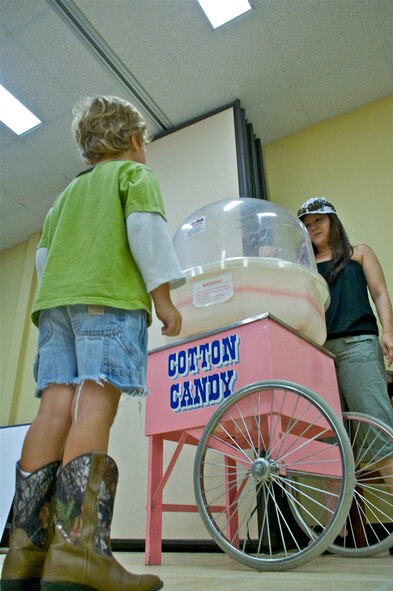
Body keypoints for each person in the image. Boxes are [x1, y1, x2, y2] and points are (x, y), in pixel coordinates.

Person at [1, 95, 186, 591]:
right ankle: (77, 553)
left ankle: (25, 557)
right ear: (132, 140)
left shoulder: (64, 196)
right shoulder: (133, 176)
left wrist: (60, 300)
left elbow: (43, 259)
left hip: (55, 307)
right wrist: (163, 300)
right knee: (94, 410)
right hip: (107, 302)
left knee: (53, 412)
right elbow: (145, 235)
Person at [297, 197, 393, 494]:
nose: (313, 228)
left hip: (358, 345)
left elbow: (379, 293)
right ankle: (338, 535)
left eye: (319, 221)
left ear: (332, 221)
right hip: (319, 353)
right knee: (328, 439)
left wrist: (388, 332)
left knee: (377, 428)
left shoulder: (358, 254)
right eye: (307, 224)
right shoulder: (303, 266)